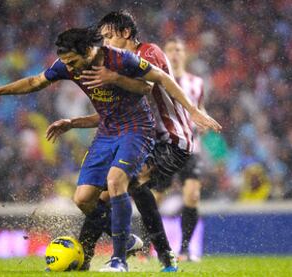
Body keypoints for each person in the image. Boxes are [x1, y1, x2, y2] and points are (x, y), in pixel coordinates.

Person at [0, 27, 220, 272]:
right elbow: (35, 81)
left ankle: (119, 260)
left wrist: (193, 111)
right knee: (83, 199)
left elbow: (158, 80)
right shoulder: (66, 65)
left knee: (116, 182)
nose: (69, 68)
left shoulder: (120, 59)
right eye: (66, 63)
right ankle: (124, 239)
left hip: (137, 129)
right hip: (107, 132)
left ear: (88, 51)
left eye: (73, 62)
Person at [45, 11, 221, 271]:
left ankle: (160, 255)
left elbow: (147, 89)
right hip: (145, 138)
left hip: (170, 141)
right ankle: (86, 259)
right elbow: (115, 112)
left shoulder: (147, 54)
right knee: (102, 196)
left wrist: (194, 111)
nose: (103, 43)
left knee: (131, 183)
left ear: (126, 33)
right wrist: (73, 122)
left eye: (107, 36)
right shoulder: (117, 64)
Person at [162, 37, 206, 262]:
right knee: (154, 197)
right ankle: (146, 247)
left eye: (179, 49)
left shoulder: (196, 83)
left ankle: (185, 250)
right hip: (166, 147)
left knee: (193, 194)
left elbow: (200, 109)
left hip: (191, 148)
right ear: (165, 54)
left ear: (185, 54)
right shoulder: (158, 81)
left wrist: (204, 121)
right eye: (170, 49)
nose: (175, 53)